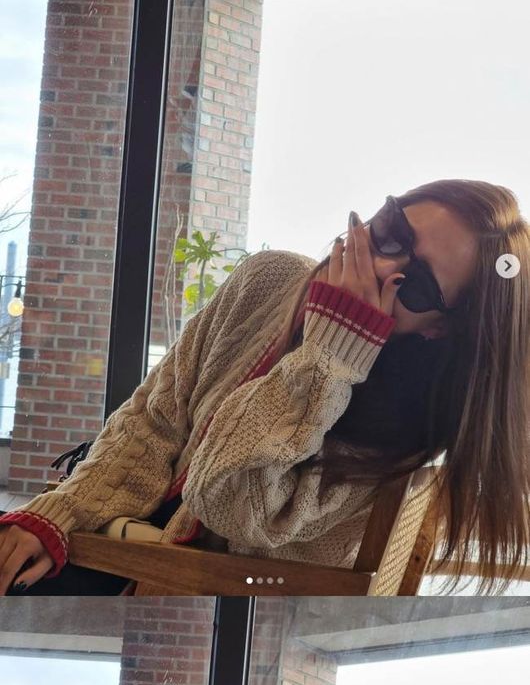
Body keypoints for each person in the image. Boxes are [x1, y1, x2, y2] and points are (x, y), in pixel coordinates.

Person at [0, 181, 529, 600]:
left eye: (418, 285)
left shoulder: (406, 429)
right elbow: (152, 421)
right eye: (392, 232)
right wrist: (60, 516)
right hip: (109, 539)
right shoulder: (267, 280)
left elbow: (231, 505)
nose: (381, 265)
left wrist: (330, 355)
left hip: (193, 607)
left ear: (439, 328)